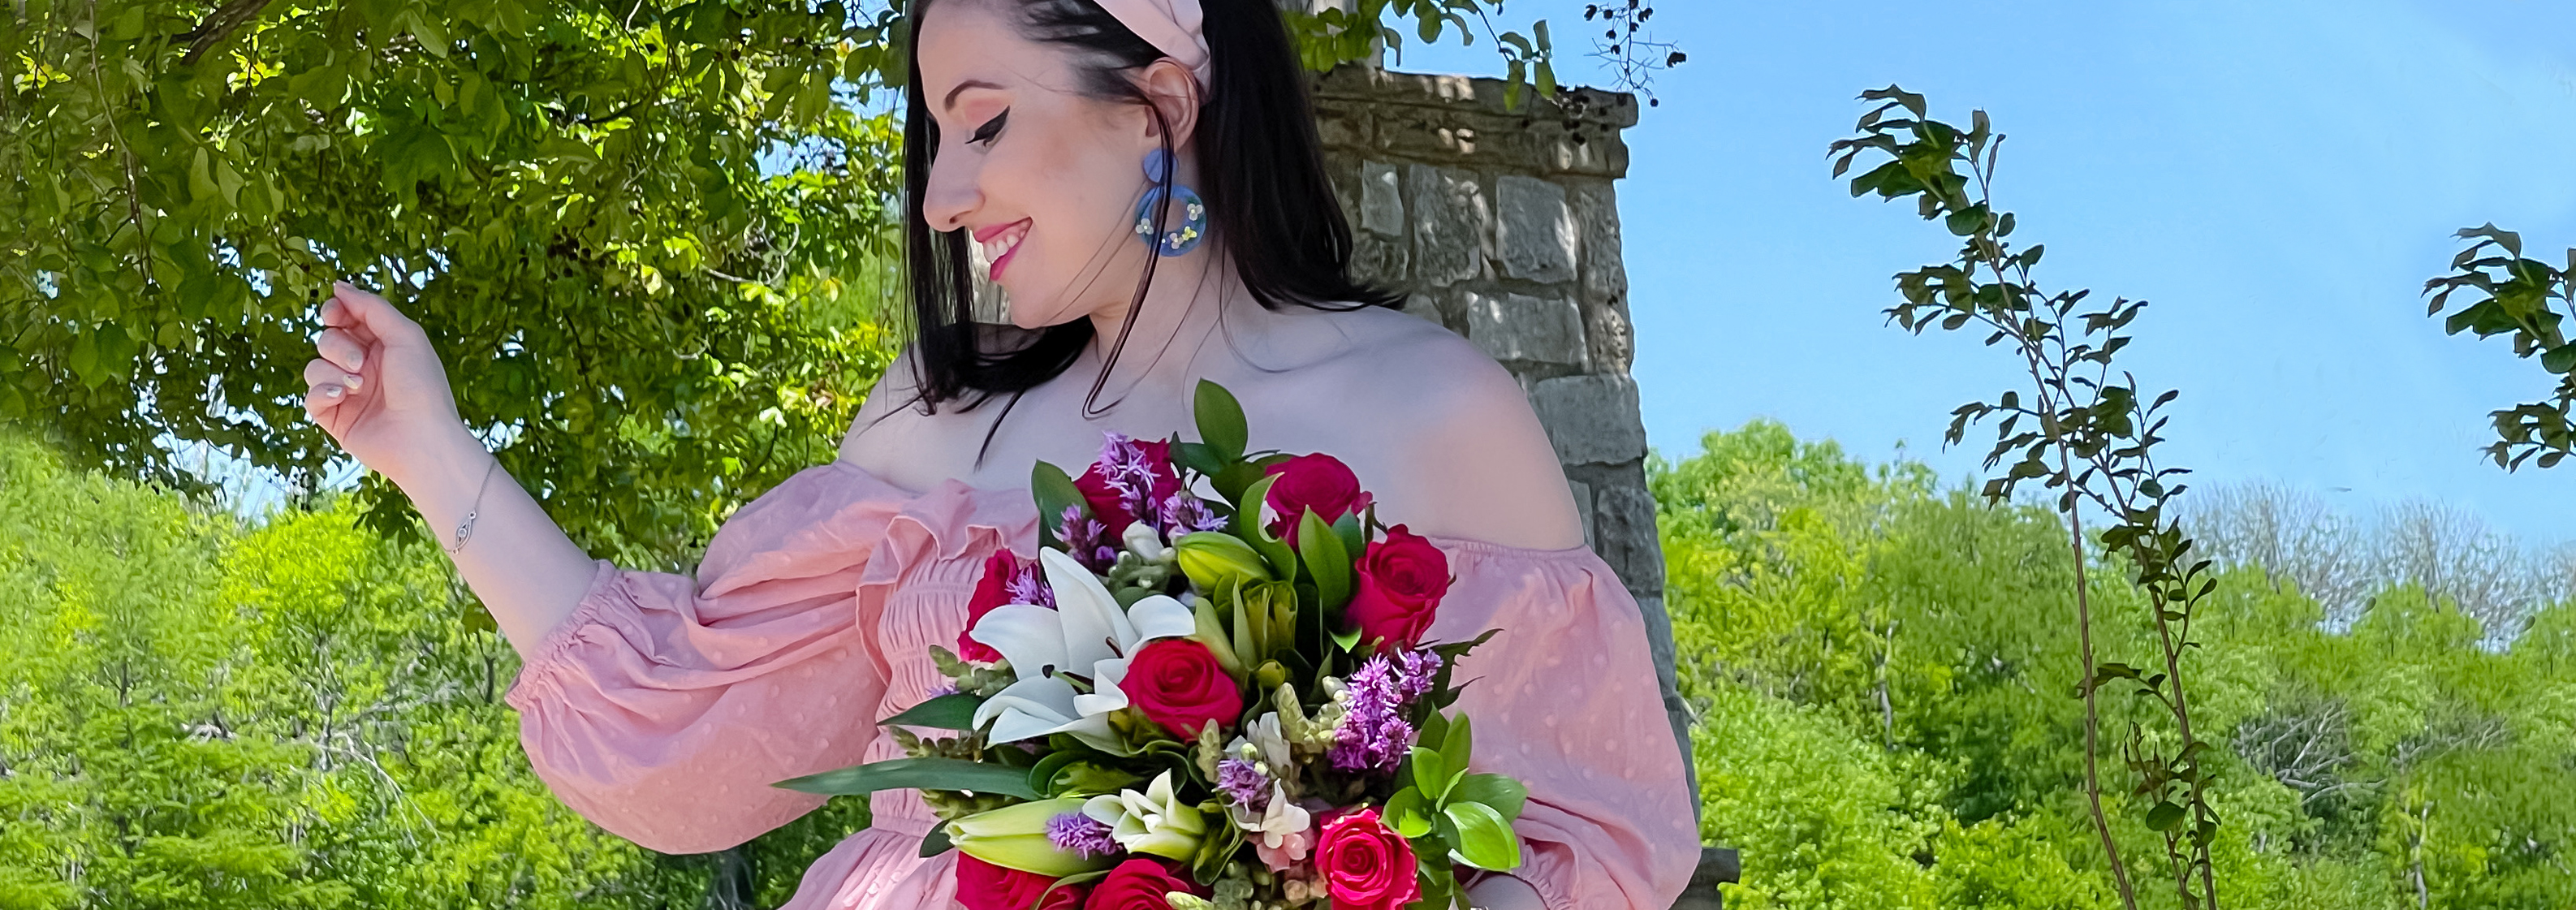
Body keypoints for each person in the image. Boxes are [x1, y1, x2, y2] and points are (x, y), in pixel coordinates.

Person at [298, 0, 1700, 906]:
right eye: (932, 135)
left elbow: (1584, 850)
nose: (945, 191)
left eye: (983, 121)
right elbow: (684, 733)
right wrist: (425, 445)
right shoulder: (929, 423)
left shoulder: (1432, 414)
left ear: (1158, 104)